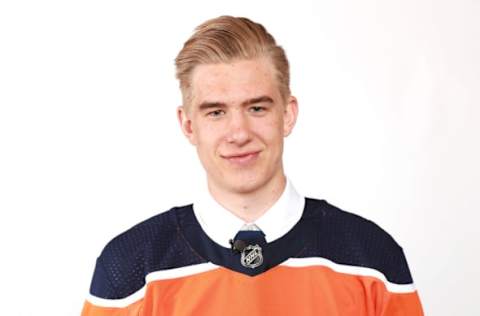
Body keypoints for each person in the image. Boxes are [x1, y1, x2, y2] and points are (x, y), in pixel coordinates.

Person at [81, 15, 424, 315]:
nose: (238, 133)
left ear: (287, 115)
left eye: (257, 108)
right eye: (216, 112)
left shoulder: (370, 260)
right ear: (188, 125)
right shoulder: (129, 267)